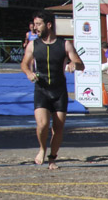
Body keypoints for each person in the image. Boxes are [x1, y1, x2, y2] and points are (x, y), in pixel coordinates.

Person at [21, 10, 84, 169]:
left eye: (38, 24)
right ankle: (42, 149)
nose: (35, 28)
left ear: (48, 25)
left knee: (58, 127)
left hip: (59, 91)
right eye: (34, 24)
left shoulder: (64, 44)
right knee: (42, 125)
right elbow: (24, 63)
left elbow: (80, 64)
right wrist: (29, 73)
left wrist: (73, 65)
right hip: (41, 89)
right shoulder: (33, 45)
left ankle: (52, 158)